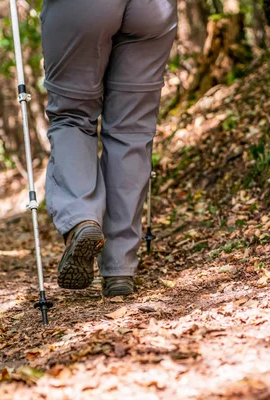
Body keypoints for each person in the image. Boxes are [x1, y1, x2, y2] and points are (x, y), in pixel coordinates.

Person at [40, 0, 177, 297]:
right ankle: (119, 268)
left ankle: (82, 216)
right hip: (154, 9)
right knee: (132, 131)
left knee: (72, 116)